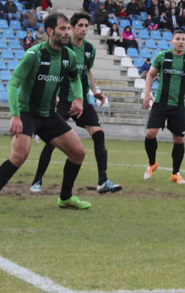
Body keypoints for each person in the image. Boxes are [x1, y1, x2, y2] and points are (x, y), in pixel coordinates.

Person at [0, 13, 90, 214]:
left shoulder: (68, 55)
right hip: (27, 112)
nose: (67, 32)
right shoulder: (34, 55)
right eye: (63, 29)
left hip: (48, 115)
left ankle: (65, 198)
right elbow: (13, 83)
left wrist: (79, 99)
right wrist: (15, 115)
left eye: (68, 29)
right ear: (50, 31)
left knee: (78, 153)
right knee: (20, 155)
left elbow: (75, 78)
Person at [31, 13, 122, 194]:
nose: (84, 29)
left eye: (86, 25)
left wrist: (94, 91)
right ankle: (37, 180)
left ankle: (103, 181)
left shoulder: (89, 49)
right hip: (62, 101)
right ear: (71, 28)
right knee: (52, 142)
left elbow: (87, 71)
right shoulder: (63, 47)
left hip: (82, 101)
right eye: (80, 25)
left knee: (98, 135)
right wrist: (53, 95)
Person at [142, 30, 185, 184]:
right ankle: (152, 163)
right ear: (172, 41)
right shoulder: (163, 57)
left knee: (179, 139)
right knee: (150, 133)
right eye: (178, 39)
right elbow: (150, 74)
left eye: (183, 39)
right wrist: (147, 93)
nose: (181, 41)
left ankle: (175, 174)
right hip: (160, 102)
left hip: (178, 105)